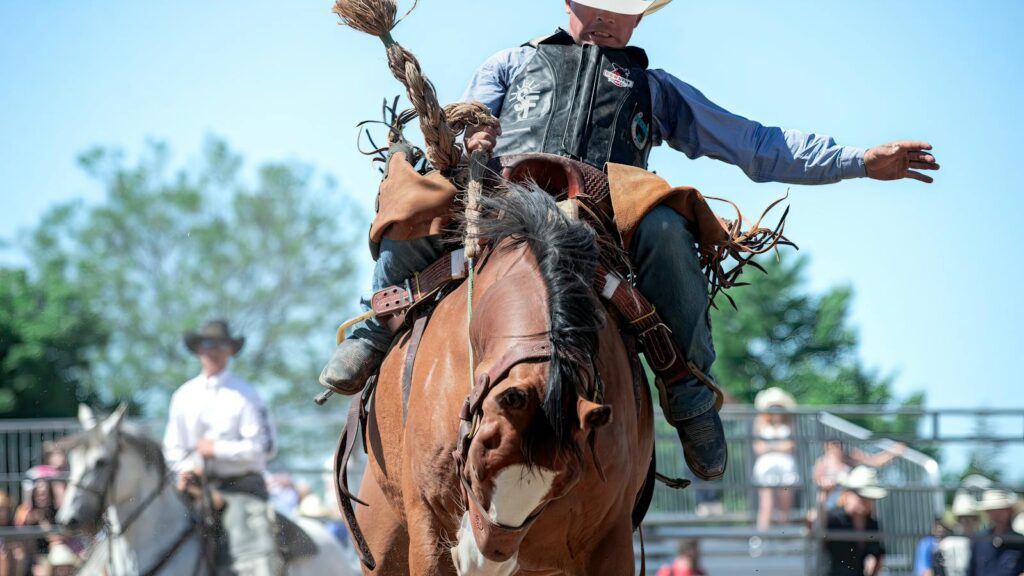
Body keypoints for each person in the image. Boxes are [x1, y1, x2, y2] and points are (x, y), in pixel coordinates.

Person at [318, 0, 940, 483]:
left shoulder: (656, 88)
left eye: (628, 9)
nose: (617, 20)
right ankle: (383, 320)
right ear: (571, 4)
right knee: (413, 187)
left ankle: (690, 391)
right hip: (505, 199)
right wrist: (472, 141)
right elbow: (462, 126)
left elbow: (756, 143)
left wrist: (859, 160)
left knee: (670, 223)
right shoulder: (509, 63)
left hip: (605, 213)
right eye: (605, 5)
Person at [163, 319, 282, 575]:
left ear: (230, 350)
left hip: (242, 489)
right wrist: (186, 469)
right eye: (207, 344)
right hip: (195, 488)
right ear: (198, 349)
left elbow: (264, 448)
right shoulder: (183, 396)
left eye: (220, 344)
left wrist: (217, 449)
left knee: (256, 552)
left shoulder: (247, 394)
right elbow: (172, 448)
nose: (214, 350)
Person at [823, 466, 888, 576]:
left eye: (869, 498)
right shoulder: (834, 519)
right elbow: (814, 524)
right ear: (848, 494)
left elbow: (878, 555)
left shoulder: (872, 524)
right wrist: (824, 495)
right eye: (861, 496)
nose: (866, 502)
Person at [752, 387, 799, 531]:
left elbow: (791, 446)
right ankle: (761, 539)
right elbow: (758, 447)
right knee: (766, 505)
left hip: (786, 467)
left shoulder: (789, 423)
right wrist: (779, 446)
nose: (775, 409)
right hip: (766, 467)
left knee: (785, 507)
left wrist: (770, 447)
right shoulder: (760, 422)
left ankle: (784, 542)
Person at [813, 439, 906, 511]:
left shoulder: (849, 459)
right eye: (833, 446)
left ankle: (860, 532)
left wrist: (893, 452)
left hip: (849, 493)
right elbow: (818, 482)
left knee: (859, 501)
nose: (836, 449)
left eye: (838, 446)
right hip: (830, 496)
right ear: (826, 447)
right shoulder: (822, 463)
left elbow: (874, 461)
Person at [967, 489, 1024, 576]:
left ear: (1009, 511)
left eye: (1001, 510)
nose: (996, 515)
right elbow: (971, 571)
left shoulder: (1020, 541)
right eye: (991, 511)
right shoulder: (979, 540)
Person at [0, 490, 29, 576]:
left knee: (18, 554)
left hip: (13, 564)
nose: (3, 514)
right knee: (3, 556)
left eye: (5, 509)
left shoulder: (12, 526)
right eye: (1, 509)